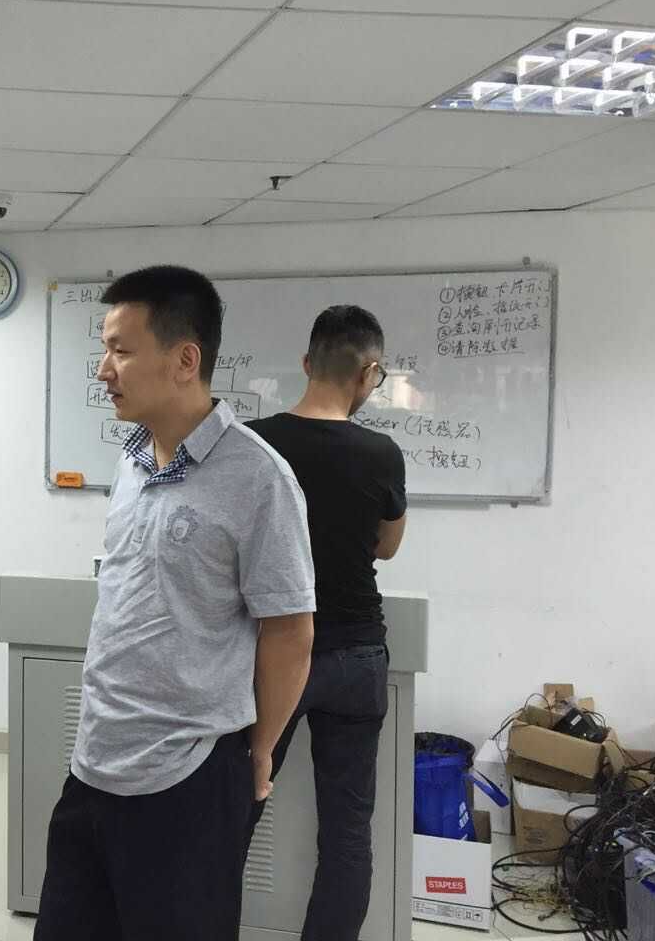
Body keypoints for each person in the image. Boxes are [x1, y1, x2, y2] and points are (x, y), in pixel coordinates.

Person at [34, 265, 316, 941]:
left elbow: (290, 632)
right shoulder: (132, 462)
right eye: (105, 349)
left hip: (188, 776)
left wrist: (260, 751)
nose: (104, 369)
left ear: (185, 360)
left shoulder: (259, 478)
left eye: (121, 350)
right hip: (95, 763)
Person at [246, 304, 407, 941]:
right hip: (358, 656)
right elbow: (386, 547)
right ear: (369, 373)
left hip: (272, 652)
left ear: (307, 362)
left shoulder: (254, 443)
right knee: (346, 832)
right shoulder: (382, 453)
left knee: (237, 809)